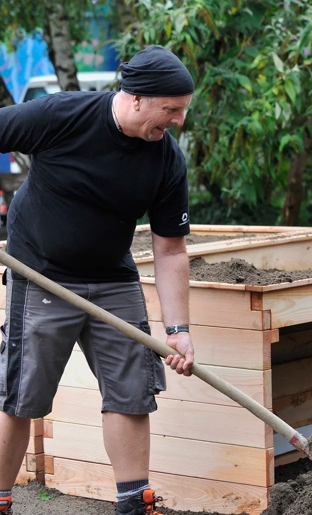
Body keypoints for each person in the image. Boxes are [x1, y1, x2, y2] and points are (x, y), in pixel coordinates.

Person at [0, 45, 198, 515]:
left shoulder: (166, 161)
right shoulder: (61, 114)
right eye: (171, 110)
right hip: (42, 275)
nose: (178, 121)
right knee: (21, 397)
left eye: (182, 110)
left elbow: (171, 250)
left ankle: (134, 500)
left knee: (132, 392)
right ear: (135, 99)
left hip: (113, 279)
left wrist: (179, 331)